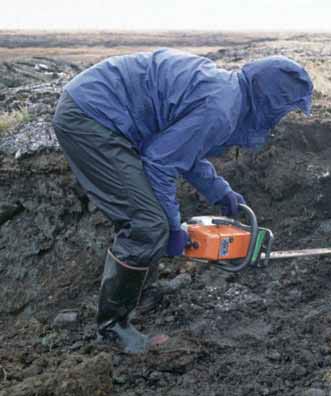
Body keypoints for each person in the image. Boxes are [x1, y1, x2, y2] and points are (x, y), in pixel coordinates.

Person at [52, 48, 313, 353]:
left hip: (97, 111)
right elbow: (160, 162)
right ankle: (112, 329)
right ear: (269, 101)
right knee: (148, 224)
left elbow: (183, 151)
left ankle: (138, 294)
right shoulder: (221, 108)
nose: (281, 119)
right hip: (91, 118)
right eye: (284, 110)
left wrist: (220, 191)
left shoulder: (227, 95)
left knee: (149, 219)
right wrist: (174, 228)